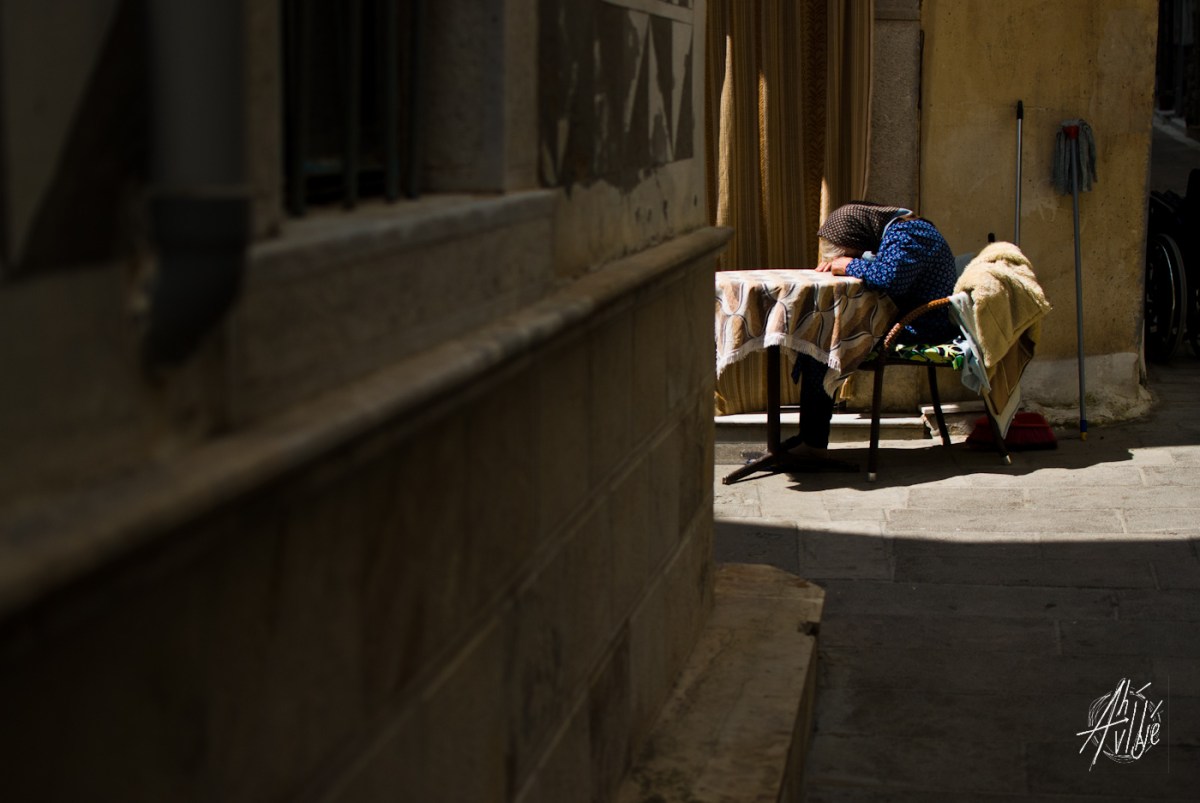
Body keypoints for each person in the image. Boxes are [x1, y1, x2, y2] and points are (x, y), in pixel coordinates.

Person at [790, 201, 959, 458]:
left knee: (822, 343)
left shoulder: (910, 234)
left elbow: (889, 278)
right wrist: (854, 258)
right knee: (821, 334)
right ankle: (810, 439)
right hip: (908, 321)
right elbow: (889, 262)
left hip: (922, 327)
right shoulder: (901, 230)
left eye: (850, 247)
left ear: (860, 233)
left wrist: (848, 265)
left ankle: (812, 444)